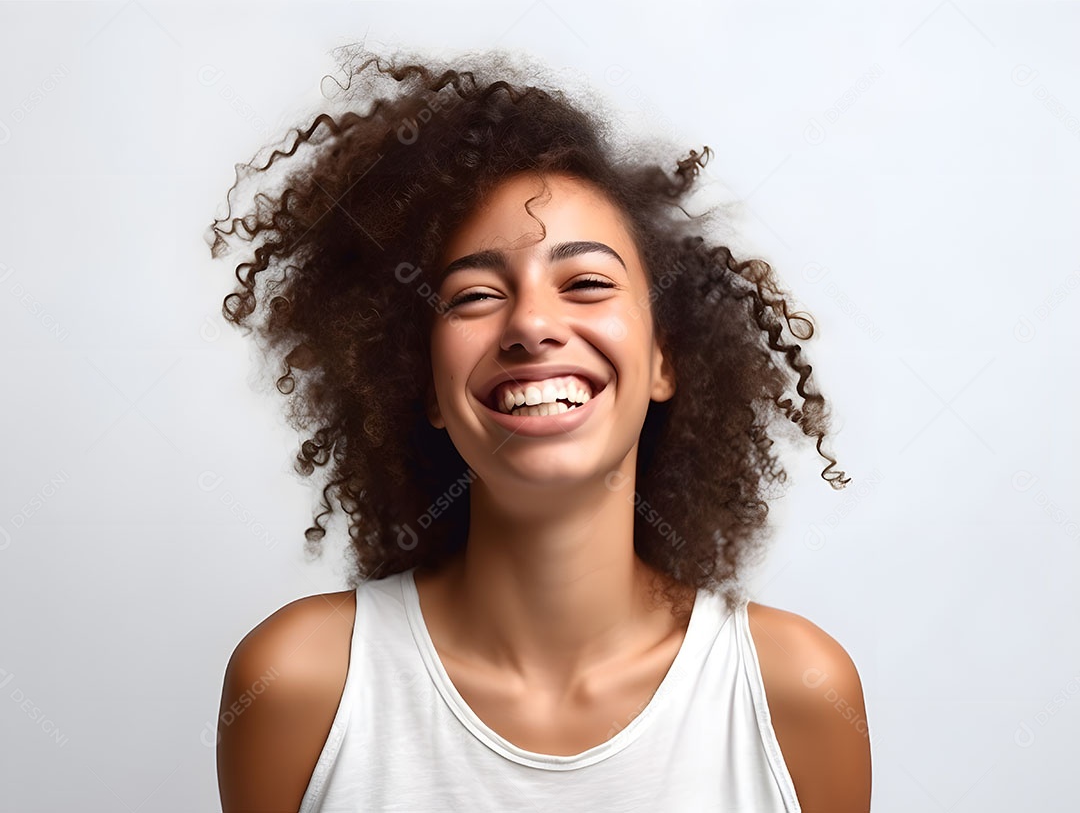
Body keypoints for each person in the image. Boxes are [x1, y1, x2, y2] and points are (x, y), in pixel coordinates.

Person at [209, 46, 871, 812]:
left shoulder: (794, 695)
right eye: (475, 295)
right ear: (421, 384)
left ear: (665, 359)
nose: (530, 323)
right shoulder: (302, 687)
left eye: (586, 283)